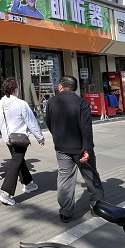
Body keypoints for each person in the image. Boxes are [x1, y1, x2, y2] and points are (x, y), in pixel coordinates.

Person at [45, 75, 104, 223]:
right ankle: (97, 207)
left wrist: (57, 137)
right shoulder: (82, 103)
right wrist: (87, 149)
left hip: (61, 147)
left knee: (65, 178)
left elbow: (49, 122)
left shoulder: (51, 102)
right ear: (75, 88)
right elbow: (86, 128)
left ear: (60, 87)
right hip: (81, 148)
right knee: (91, 177)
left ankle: (65, 212)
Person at [0, 77, 45, 206]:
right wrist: (40, 137)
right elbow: (31, 122)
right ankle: (6, 193)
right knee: (16, 163)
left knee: (18, 160)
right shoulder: (21, 104)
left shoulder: (0, 103)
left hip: (8, 138)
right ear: (16, 89)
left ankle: (28, 183)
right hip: (20, 138)